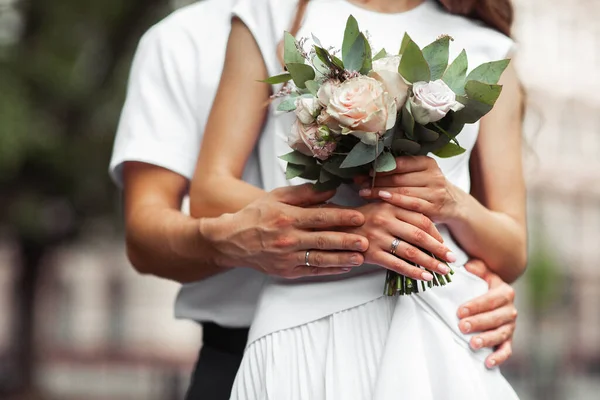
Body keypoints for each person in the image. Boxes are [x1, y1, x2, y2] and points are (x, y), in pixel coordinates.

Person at [109, 0, 518, 398]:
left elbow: (505, 239)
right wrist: (355, 228)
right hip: (273, 335)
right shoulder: (225, 27)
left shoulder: (484, 46)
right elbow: (164, 220)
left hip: (436, 327)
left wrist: (478, 274)